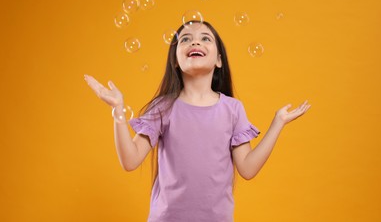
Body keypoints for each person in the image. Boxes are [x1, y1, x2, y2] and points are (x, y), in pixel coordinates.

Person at [84, 21, 311, 222]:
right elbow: (130, 160)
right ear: (175, 60)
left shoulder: (232, 109)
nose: (195, 42)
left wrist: (278, 122)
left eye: (205, 38)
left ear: (219, 60)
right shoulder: (163, 107)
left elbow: (248, 168)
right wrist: (118, 110)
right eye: (185, 39)